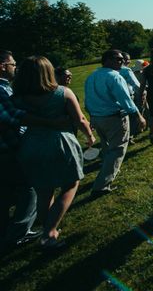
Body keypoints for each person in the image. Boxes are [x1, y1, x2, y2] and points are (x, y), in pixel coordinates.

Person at [13, 56, 96, 250]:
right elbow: (80, 120)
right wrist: (90, 136)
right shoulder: (63, 93)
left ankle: (47, 228)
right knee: (71, 184)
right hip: (60, 143)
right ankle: (49, 233)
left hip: (30, 145)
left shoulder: (16, 99)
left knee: (44, 191)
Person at [0, 51, 72, 251]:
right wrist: (52, 123)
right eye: (13, 64)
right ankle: (20, 232)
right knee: (31, 189)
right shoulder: (1, 90)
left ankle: (8, 232)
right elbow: (12, 117)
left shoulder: (13, 91)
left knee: (7, 194)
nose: (15, 67)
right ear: (2, 66)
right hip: (8, 150)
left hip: (17, 146)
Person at [84, 49, 146, 197]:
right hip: (114, 118)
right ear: (108, 61)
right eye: (118, 60)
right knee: (117, 150)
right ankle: (101, 185)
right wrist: (139, 116)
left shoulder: (92, 76)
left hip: (98, 118)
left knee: (107, 148)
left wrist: (92, 117)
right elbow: (126, 100)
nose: (122, 62)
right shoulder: (115, 77)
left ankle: (109, 170)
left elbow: (88, 101)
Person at [119, 53, 142, 143]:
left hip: (116, 100)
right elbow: (136, 85)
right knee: (132, 117)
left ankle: (124, 137)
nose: (129, 61)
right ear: (123, 60)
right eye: (127, 59)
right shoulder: (126, 70)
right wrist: (142, 93)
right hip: (129, 97)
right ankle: (130, 137)